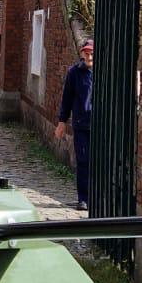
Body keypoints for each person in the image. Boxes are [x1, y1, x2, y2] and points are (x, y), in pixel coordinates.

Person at [54, 38, 93, 211]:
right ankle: (83, 199)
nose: (89, 56)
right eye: (86, 52)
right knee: (83, 161)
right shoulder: (74, 73)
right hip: (81, 124)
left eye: (92, 52)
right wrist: (62, 122)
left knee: (98, 162)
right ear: (81, 53)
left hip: (100, 126)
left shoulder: (105, 72)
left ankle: (98, 197)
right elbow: (67, 98)